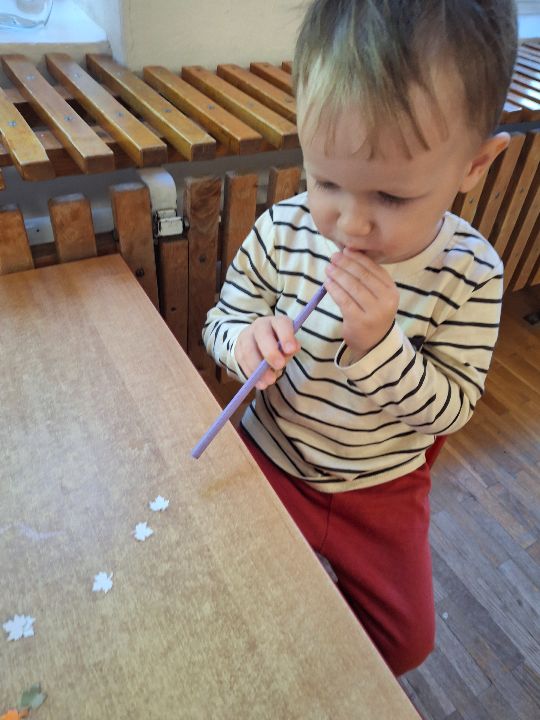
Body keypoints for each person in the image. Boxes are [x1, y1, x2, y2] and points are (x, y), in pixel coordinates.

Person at [203, 0, 517, 675]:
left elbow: (450, 410)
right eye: (327, 181)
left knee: (405, 643)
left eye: (391, 198)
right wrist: (243, 343)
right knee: (227, 598)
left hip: (381, 484)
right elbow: (220, 322)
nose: (350, 223)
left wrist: (381, 348)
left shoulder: (471, 274)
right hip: (270, 455)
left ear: (475, 164)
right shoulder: (283, 231)